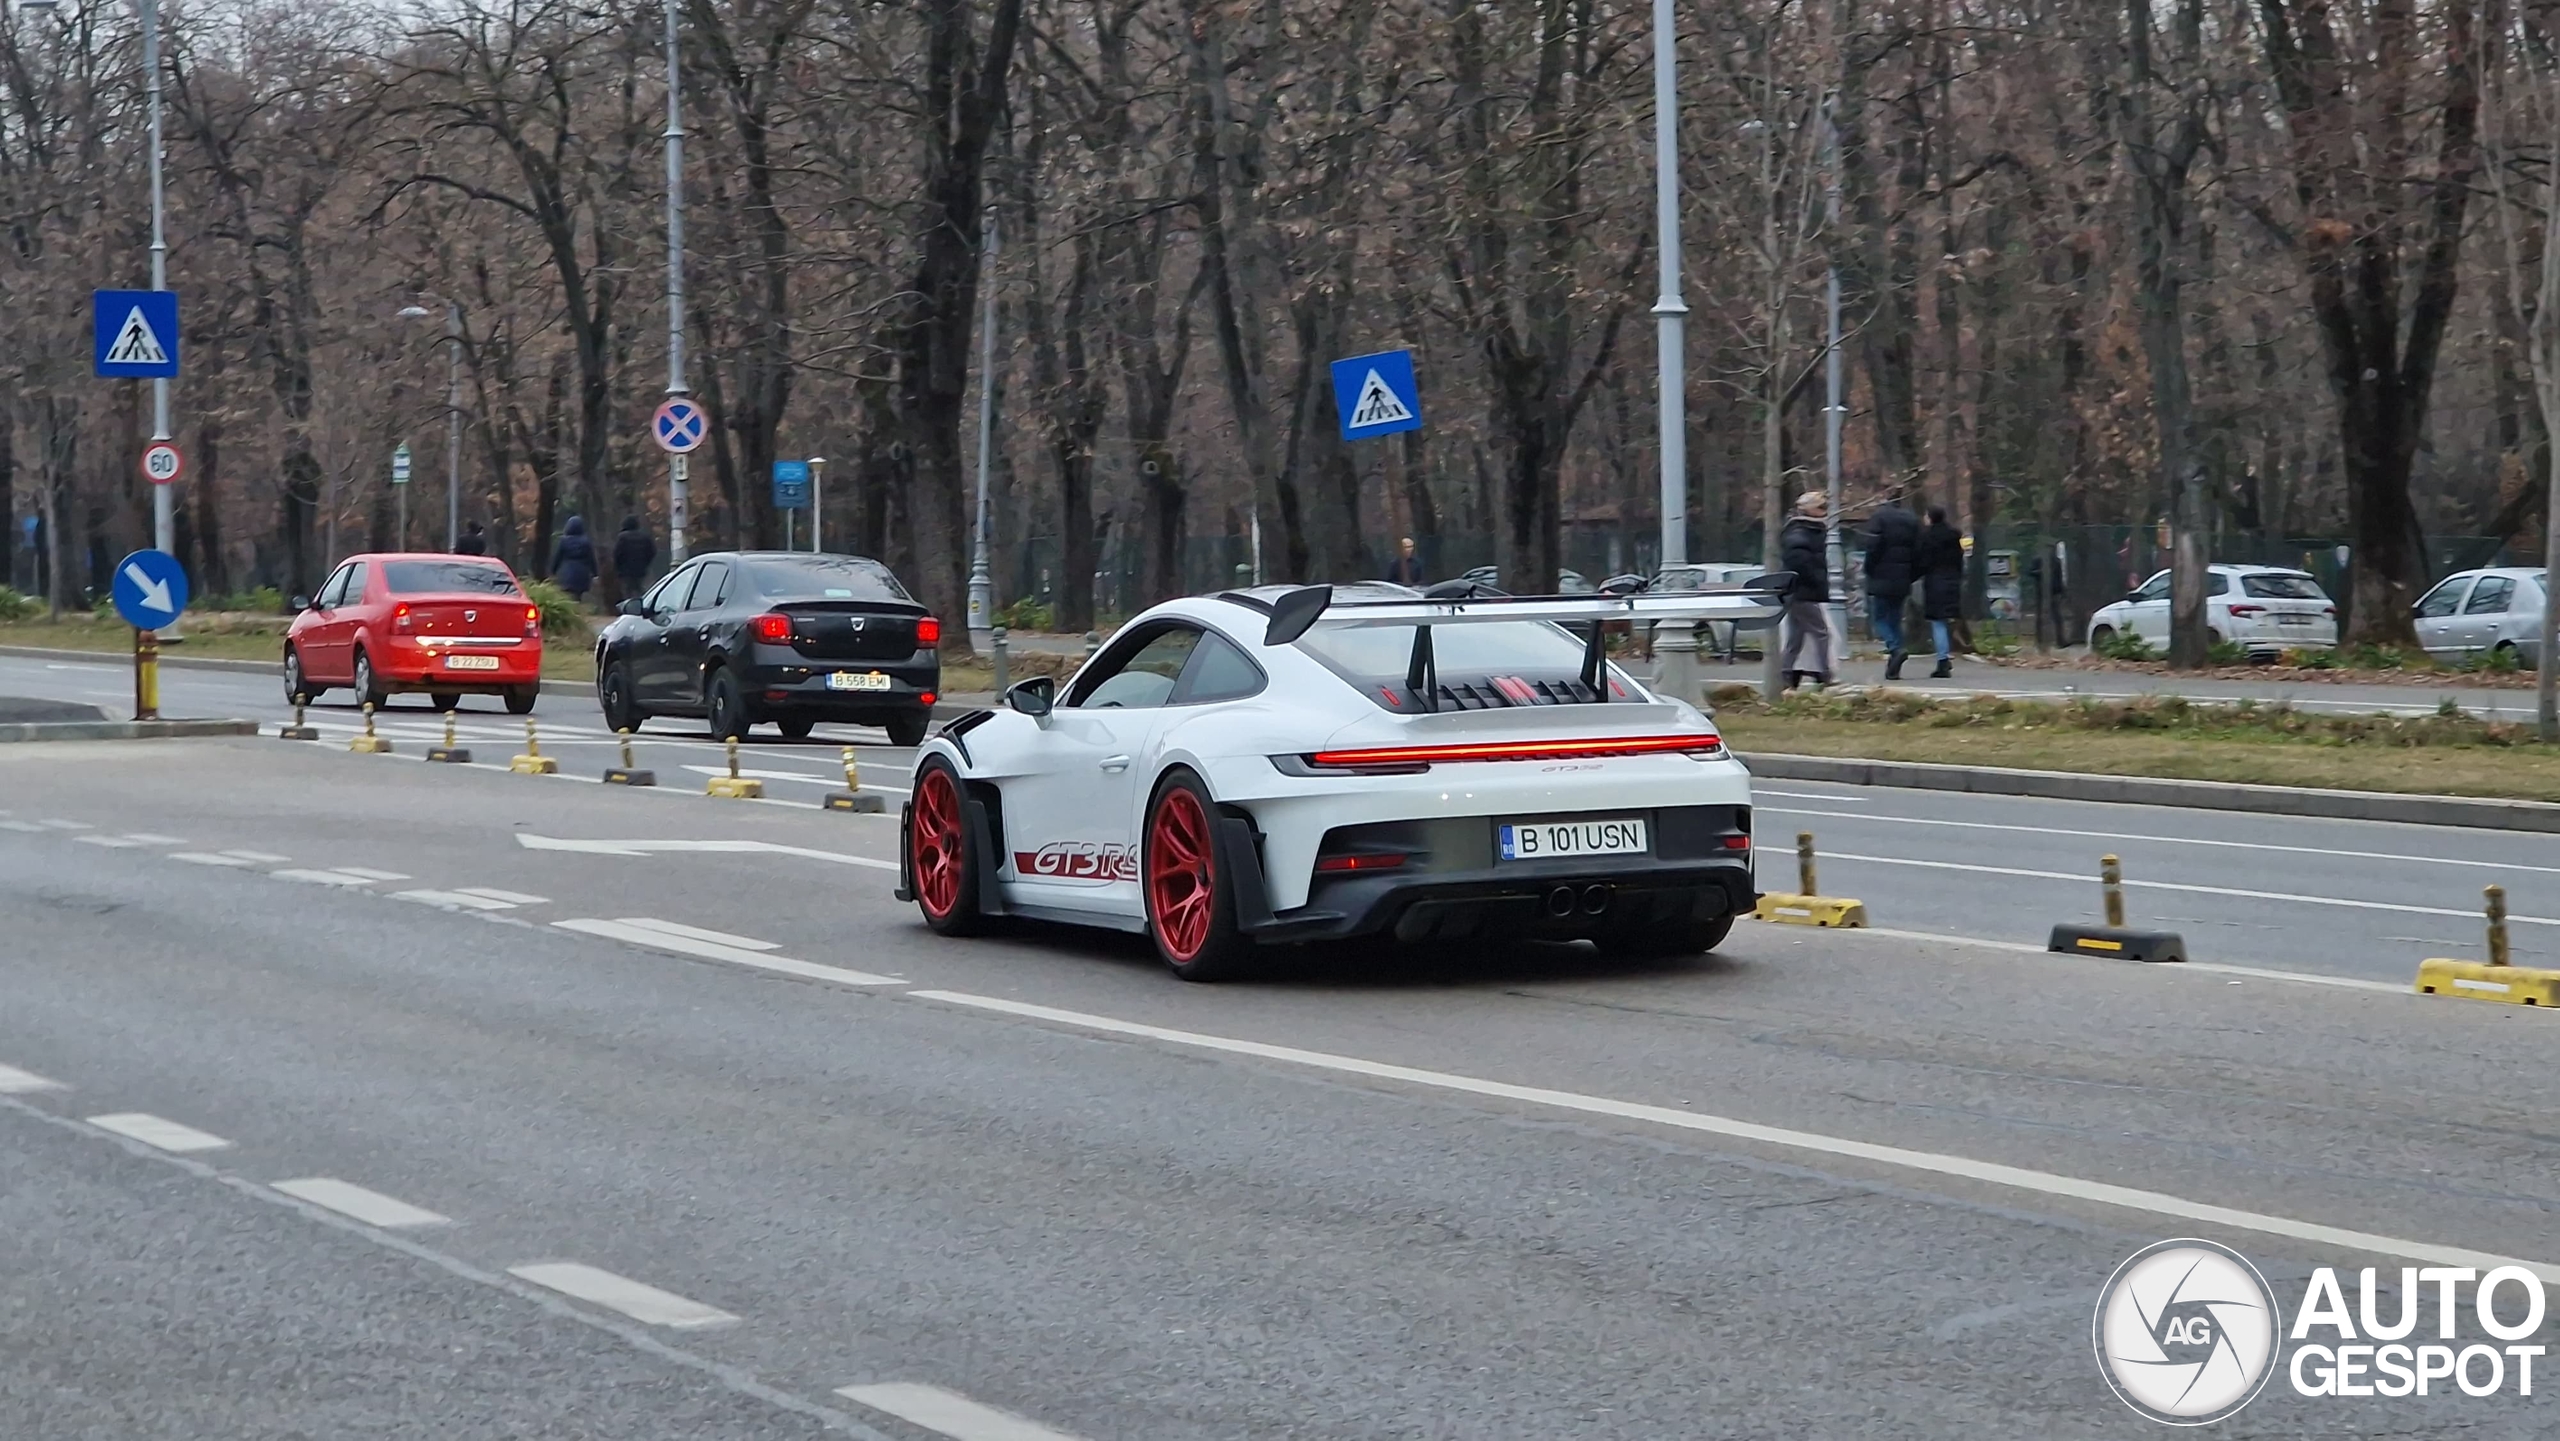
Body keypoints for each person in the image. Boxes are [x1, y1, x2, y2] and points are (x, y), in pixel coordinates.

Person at [1863, 487, 1920, 679]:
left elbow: (1872, 547)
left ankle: (1895, 648)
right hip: (1903, 576)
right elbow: (1919, 550)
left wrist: (1869, 569)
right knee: (1895, 617)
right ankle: (1894, 665)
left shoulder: (1879, 518)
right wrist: (1911, 574)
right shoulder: (1911, 520)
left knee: (1879, 618)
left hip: (1881, 574)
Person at [1778, 491, 1833, 690]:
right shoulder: (1801, 534)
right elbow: (1801, 563)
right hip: (1802, 591)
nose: (1825, 512)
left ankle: (1785, 673)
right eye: (1821, 508)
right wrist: (1816, 580)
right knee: (1821, 632)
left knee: (1796, 635)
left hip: (1796, 591)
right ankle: (1825, 673)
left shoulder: (1801, 531)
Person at [1917, 506, 1966, 679]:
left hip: (1934, 581)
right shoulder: (1954, 535)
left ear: (1930, 518)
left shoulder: (1927, 537)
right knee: (1946, 619)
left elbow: (1922, 561)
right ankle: (1946, 654)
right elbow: (1960, 558)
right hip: (1952, 580)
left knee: (1937, 622)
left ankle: (1943, 659)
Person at [550, 515, 597, 603]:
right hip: (582, 572)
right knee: (578, 595)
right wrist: (595, 573)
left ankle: (571, 612)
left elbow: (558, 557)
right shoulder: (586, 541)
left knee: (568, 595)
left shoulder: (564, 541)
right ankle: (578, 611)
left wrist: (553, 570)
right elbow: (591, 558)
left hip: (567, 572)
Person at [612, 515, 656, 596]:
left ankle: (629, 606)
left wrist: (618, 568)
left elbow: (617, 554)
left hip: (626, 571)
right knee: (641, 588)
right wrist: (645, 563)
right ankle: (645, 603)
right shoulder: (645, 537)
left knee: (628, 591)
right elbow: (652, 552)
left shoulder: (622, 537)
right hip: (641, 569)